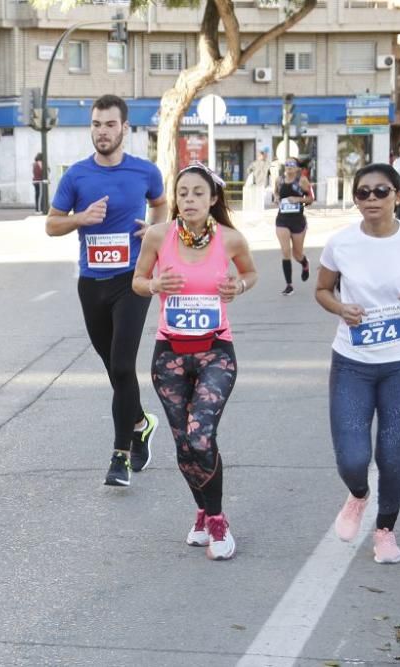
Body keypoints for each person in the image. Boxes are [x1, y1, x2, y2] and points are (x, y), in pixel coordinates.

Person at [132, 163, 257, 561]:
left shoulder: (231, 240)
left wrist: (238, 285)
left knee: (201, 434)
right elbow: (137, 282)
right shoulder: (157, 236)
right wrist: (153, 285)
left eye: (198, 193)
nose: (189, 200)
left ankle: (217, 520)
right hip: (169, 354)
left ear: (213, 199)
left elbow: (251, 274)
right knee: (185, 444)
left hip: (216, 350)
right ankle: (202, 511)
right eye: (182, 193)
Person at [314, 163, 400, 565]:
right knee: (352, 457)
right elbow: (322, 290)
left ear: (398, 197)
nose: (371, 199)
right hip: (352, 361)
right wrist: (340, 308)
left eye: (380, 191)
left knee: (392, 454)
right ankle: (358, 495)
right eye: (362, 192)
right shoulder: (341, 243)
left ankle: (385, 530)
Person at [46, 94, 168, 487]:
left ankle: (121, 457)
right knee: (112, 368)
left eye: (110, 124)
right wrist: (81, 218)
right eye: (97, 124)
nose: (102, 131)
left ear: (124, 129)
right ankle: (140, 421)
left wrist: (154, 230)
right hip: (91, 283)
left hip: (132, 281)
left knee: (121, 365)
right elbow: (52, 224)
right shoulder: (76, 176)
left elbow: (161, 205)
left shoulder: (145, 171)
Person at [271, 158, 313, 296]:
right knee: (285, 251)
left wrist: (298, 199)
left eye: (292, 165)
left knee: (297, 254)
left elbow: (311, 198)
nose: (288, 167)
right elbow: (276, 193)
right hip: (282, 219)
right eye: (287, 164)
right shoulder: (279, 180)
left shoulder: (302, 180)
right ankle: (289, 285)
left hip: (298, 220)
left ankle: (305, 263)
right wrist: (276, 198)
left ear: (297, 168)